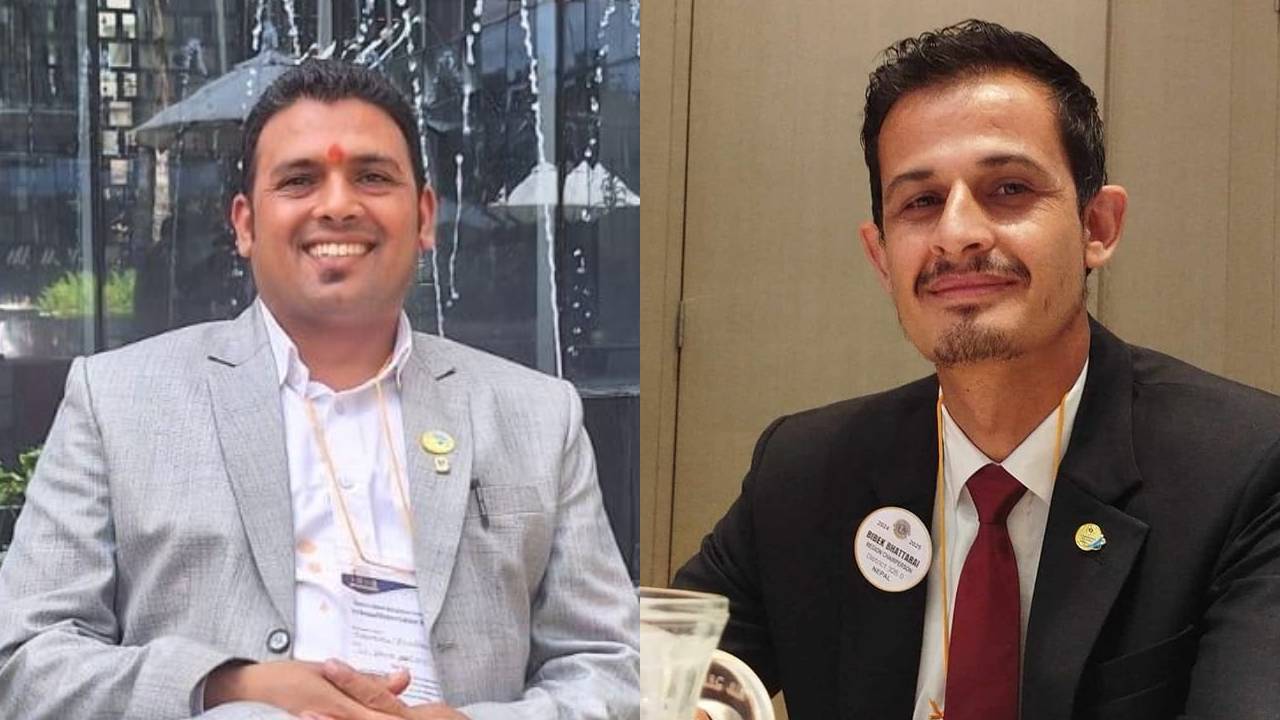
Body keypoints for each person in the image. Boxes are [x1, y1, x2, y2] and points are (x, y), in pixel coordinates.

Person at [674, 19, 1280, 720]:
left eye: (1009, 189)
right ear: (881, 257)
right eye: (921, 202)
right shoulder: (801, 473)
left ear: (1097, 227)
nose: (957, 234)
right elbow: (663, 672)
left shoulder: (1247, 472)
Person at [0, 60, 638, 720]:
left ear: (424, 217)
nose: (337, 205)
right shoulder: (118, 402)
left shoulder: (537, 415)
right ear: (245, 224)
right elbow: (24, 659)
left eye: (372, 177)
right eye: (299, 180)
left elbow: (611, 666)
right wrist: (229, 688)